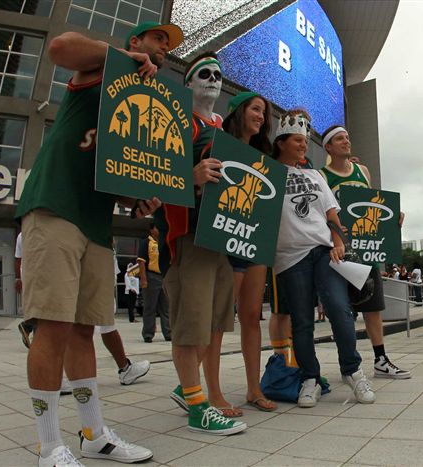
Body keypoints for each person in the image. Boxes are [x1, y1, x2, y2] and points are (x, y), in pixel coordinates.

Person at [14, 21, 184, 466]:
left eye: (168, 45)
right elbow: (59, 46)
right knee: (52, 323)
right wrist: (123, 59)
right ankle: (49, 444)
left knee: (84, 329)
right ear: (135, 42)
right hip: (55, 205)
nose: (164, 48)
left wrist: (138, 197)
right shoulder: (107, 66)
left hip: (94, 220)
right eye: (158, 39)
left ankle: (93, 433)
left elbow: (116, 174)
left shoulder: (146, 105)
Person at [155, 51, 247, 434]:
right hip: (189, 235)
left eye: (218, 75)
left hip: (220, 238)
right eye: (204, 73)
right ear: (188, 83)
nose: (213, 79)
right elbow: (152, 173)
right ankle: (197, 406)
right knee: (191, 325)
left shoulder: (221, 132)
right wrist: (190, 176)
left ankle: (187, 386)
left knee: (214, 323)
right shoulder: (175, 121)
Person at [272, 109, 376, 408]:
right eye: (296, 140)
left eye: (305, 141)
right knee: (302, 320)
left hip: (323, 250)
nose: (304, 145)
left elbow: (332, 213)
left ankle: (352, 370)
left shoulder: (316, 175)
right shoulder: (269, 172)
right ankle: (310, 377)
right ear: (280, 142)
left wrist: (339, 241)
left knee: (340, 310)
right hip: (290, 256)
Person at [320, 126, 411, 379]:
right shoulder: (322, 176)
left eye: (348, 137)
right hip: (339, 251)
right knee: (342, 310)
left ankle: (381, 359)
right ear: (328, 146)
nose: (346, 141)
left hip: (365, 249)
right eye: (340, 138)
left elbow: (372, 204)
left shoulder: (363, 171)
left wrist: (393, 216)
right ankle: (348, 363)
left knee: (373, 306)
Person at [221, 91, 277, 412]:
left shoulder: (264, 157)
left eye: (264, 113)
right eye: (256, 109)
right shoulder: (217, 143)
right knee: (220, 316)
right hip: (226, 240)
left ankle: (254, 389)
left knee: (251, 316)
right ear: (238, 110)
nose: (261, 116)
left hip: (255, 241)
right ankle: (193, 385)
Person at [137, 224, 170, 341]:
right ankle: (148, 333)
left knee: (166, 307)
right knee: (150, 307)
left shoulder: (163, 242)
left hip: (163, 276)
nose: (158, 230)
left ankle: (168, 333)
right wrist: (143, 279)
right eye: (156, 228)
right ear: (151, 230)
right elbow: (141, 262)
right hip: (151, 276)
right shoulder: (146, 242)